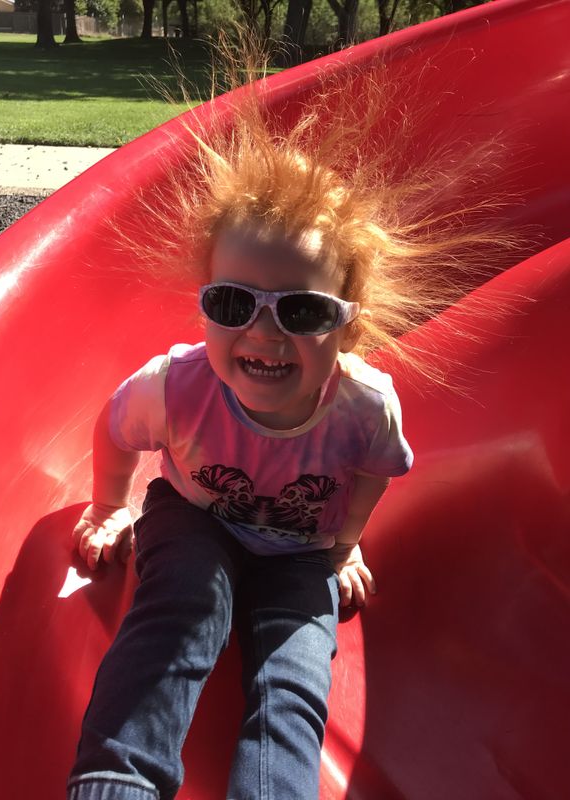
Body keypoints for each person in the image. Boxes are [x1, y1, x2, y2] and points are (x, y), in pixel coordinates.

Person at [67, 57, 506, 800]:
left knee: (297, 677)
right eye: (235, 304)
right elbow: (115, 432)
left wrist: (345, 546)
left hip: (302, 549)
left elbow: (371, 472)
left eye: (301, 312)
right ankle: (117, 780)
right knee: (181, 610)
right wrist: (111, 504)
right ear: (204, 302)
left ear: (347, 322)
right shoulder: (176, 388)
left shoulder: (365, 405)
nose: (265, 336)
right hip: (194, 518)